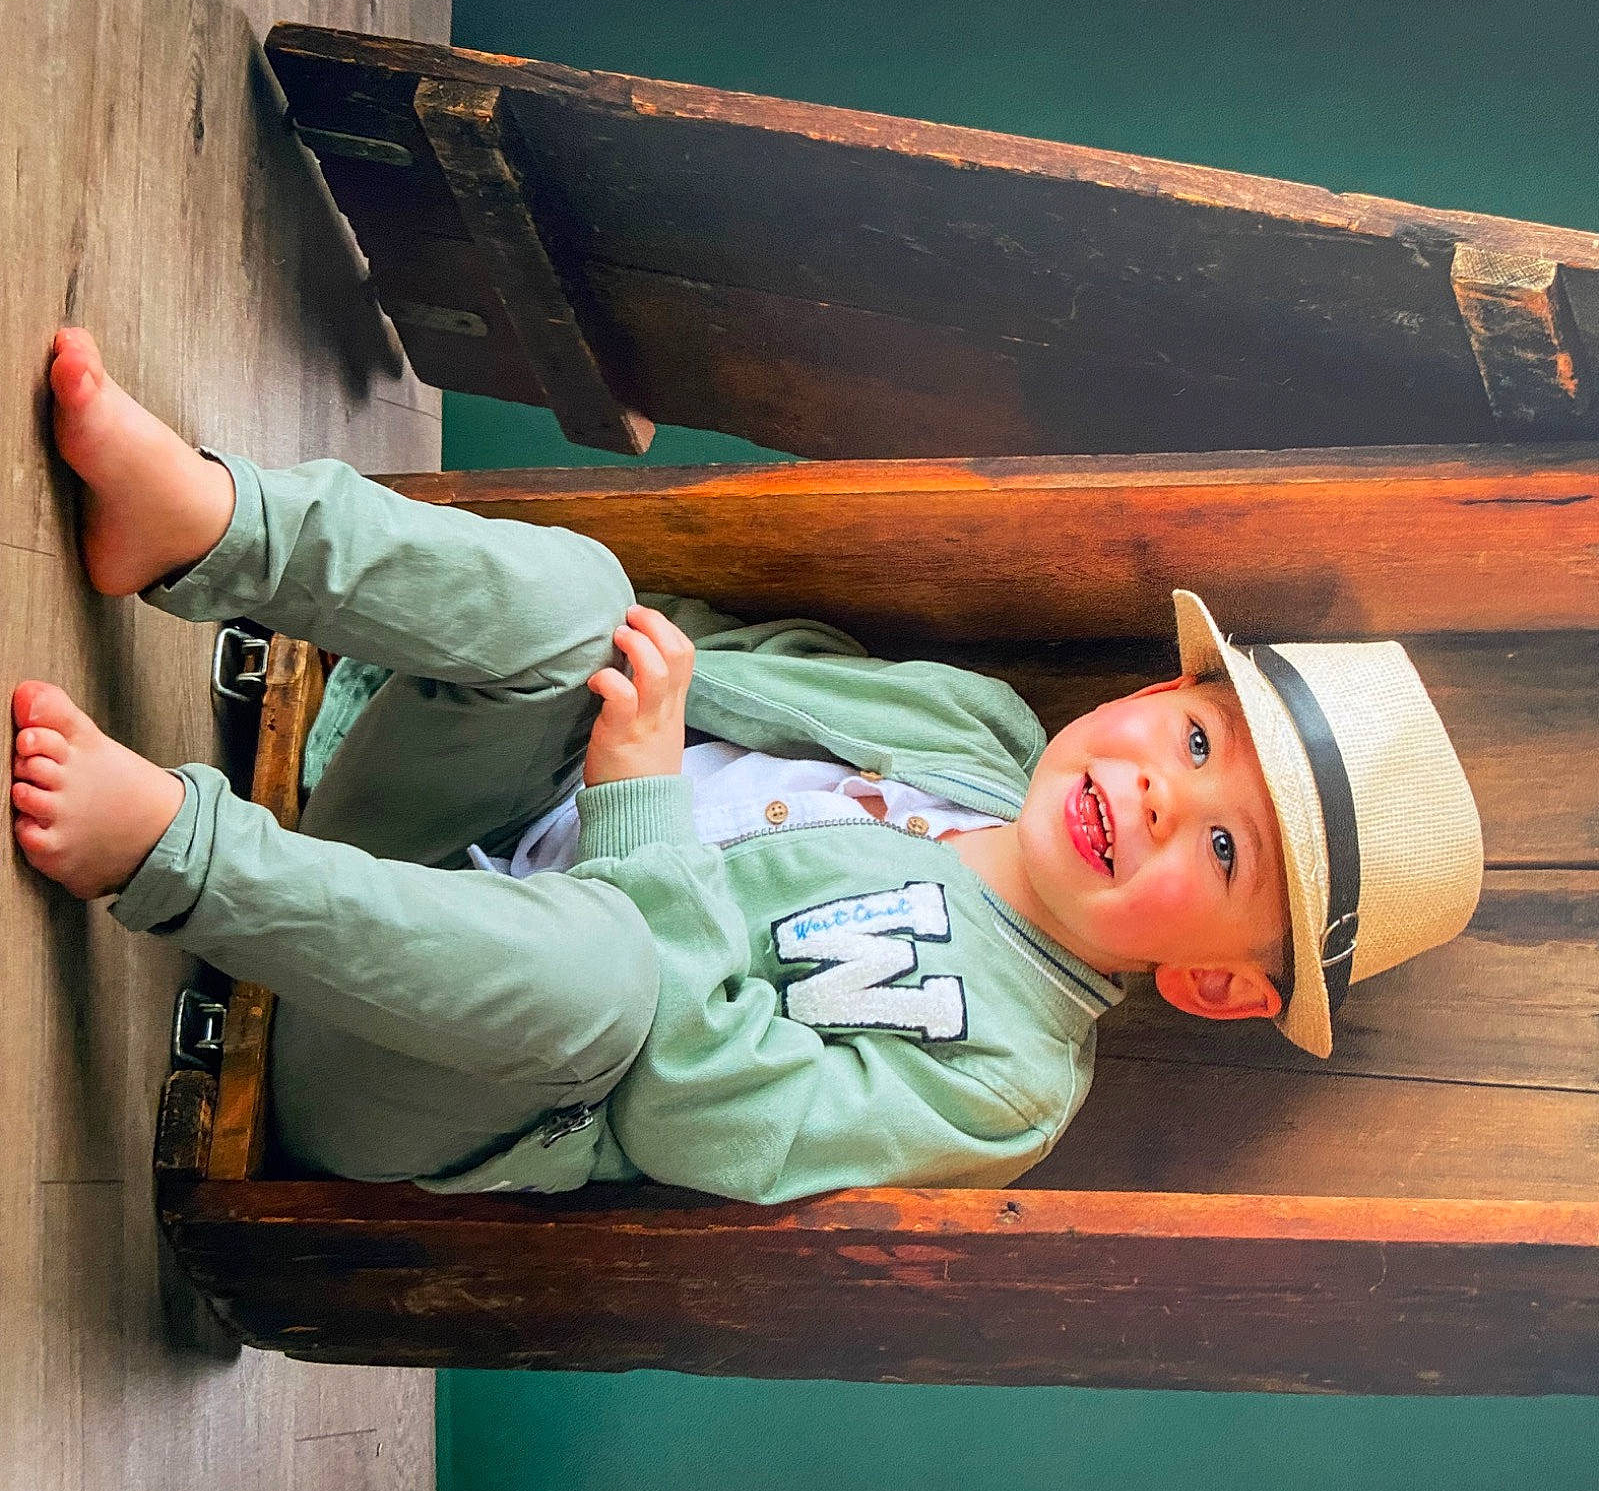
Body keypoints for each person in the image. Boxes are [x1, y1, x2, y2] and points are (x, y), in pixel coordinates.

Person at [11, 327, 1484, 1202]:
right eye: (1198, 737)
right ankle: (207, 525)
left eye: (1225, 853)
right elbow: (706, 656)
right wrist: (606, 685)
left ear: (1218, 983)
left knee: (609, 981)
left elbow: (697, 1108)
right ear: (1159, 691)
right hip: (421, 809)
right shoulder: (981, 734)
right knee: (595, 607)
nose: (1166, 793)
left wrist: (640, 804)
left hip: (421, 1070)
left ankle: (166, 851)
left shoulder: (1011, 1081)